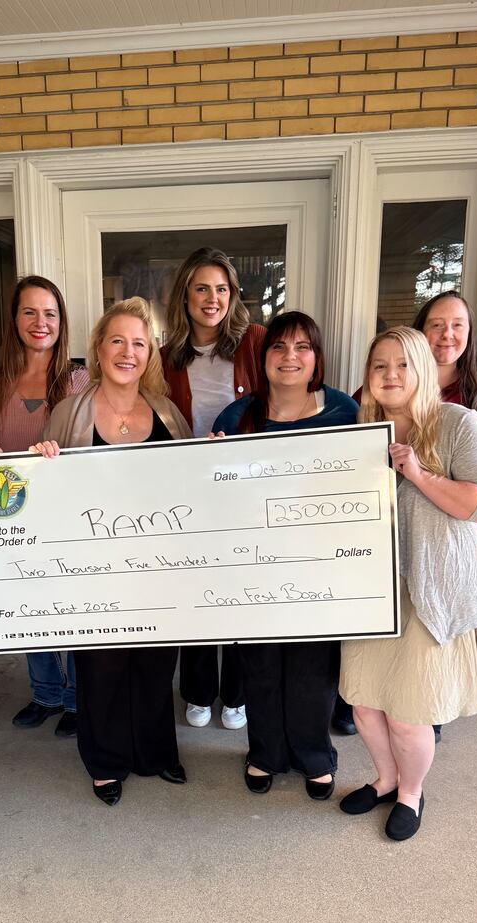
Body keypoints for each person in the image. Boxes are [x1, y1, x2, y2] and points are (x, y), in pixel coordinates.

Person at [338, 326, 477, 841]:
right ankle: (384, 779)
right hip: (373, 593)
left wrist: (421, 475)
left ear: (424, 369)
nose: (390, 375)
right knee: (364, 701)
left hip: (433, 592)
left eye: (402, 364)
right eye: (379, 366)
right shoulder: (360, 431)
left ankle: (411, 792)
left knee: (410, 712)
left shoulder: (457, 424)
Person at [33, 297, 191, 806]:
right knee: (101, 668)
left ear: (150, 356)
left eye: (139, 344)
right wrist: (43, 462)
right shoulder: (69, 413)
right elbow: (44, 496)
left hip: (158, 571)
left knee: (153, 665)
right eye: (117, 341)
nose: (128, 352)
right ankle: (105, 761)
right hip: (93, 573)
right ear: (98, 350)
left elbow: (191, 489)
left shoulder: (168, 412)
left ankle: (153, 752)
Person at [213, 311, 359, 799]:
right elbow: (213, 499)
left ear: (317, 357)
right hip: (252, 566)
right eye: (278, 347)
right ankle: (265, 754)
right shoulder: (237, 418)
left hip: (320, 565)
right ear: (263, 356)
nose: (290, 357)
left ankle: (314, 756)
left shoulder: (343, 411)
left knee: (313, 669)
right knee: (259, 666)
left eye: (302, 347)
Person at [161, 247, 267, 731]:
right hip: (189, 490)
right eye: (202, 288)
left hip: (246, 490)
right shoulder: (164, 359)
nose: (212, 298)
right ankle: (199, 691)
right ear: (185, 294)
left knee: (243, 592)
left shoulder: (257, 344)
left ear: (233, 296)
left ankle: (238, 694)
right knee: (198, 590)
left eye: (222, 289)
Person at [0, 276, 89, 738]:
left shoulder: (79, 380)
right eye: (30, 312)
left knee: (71, 608)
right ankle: (45, 693)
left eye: (50, 313)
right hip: (14, 517)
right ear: (15, 320)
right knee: (32, 607)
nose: (40, 322)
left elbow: (89, 446)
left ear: (61, 322)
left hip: (68, 515)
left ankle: (77, 700)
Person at [413, 291, 477, 575]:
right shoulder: (388, 386)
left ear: (469, 334)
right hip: (400, 547)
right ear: (420, 332)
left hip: (458, 555)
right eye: (436, 324)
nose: (447, 334)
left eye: (457, 325)